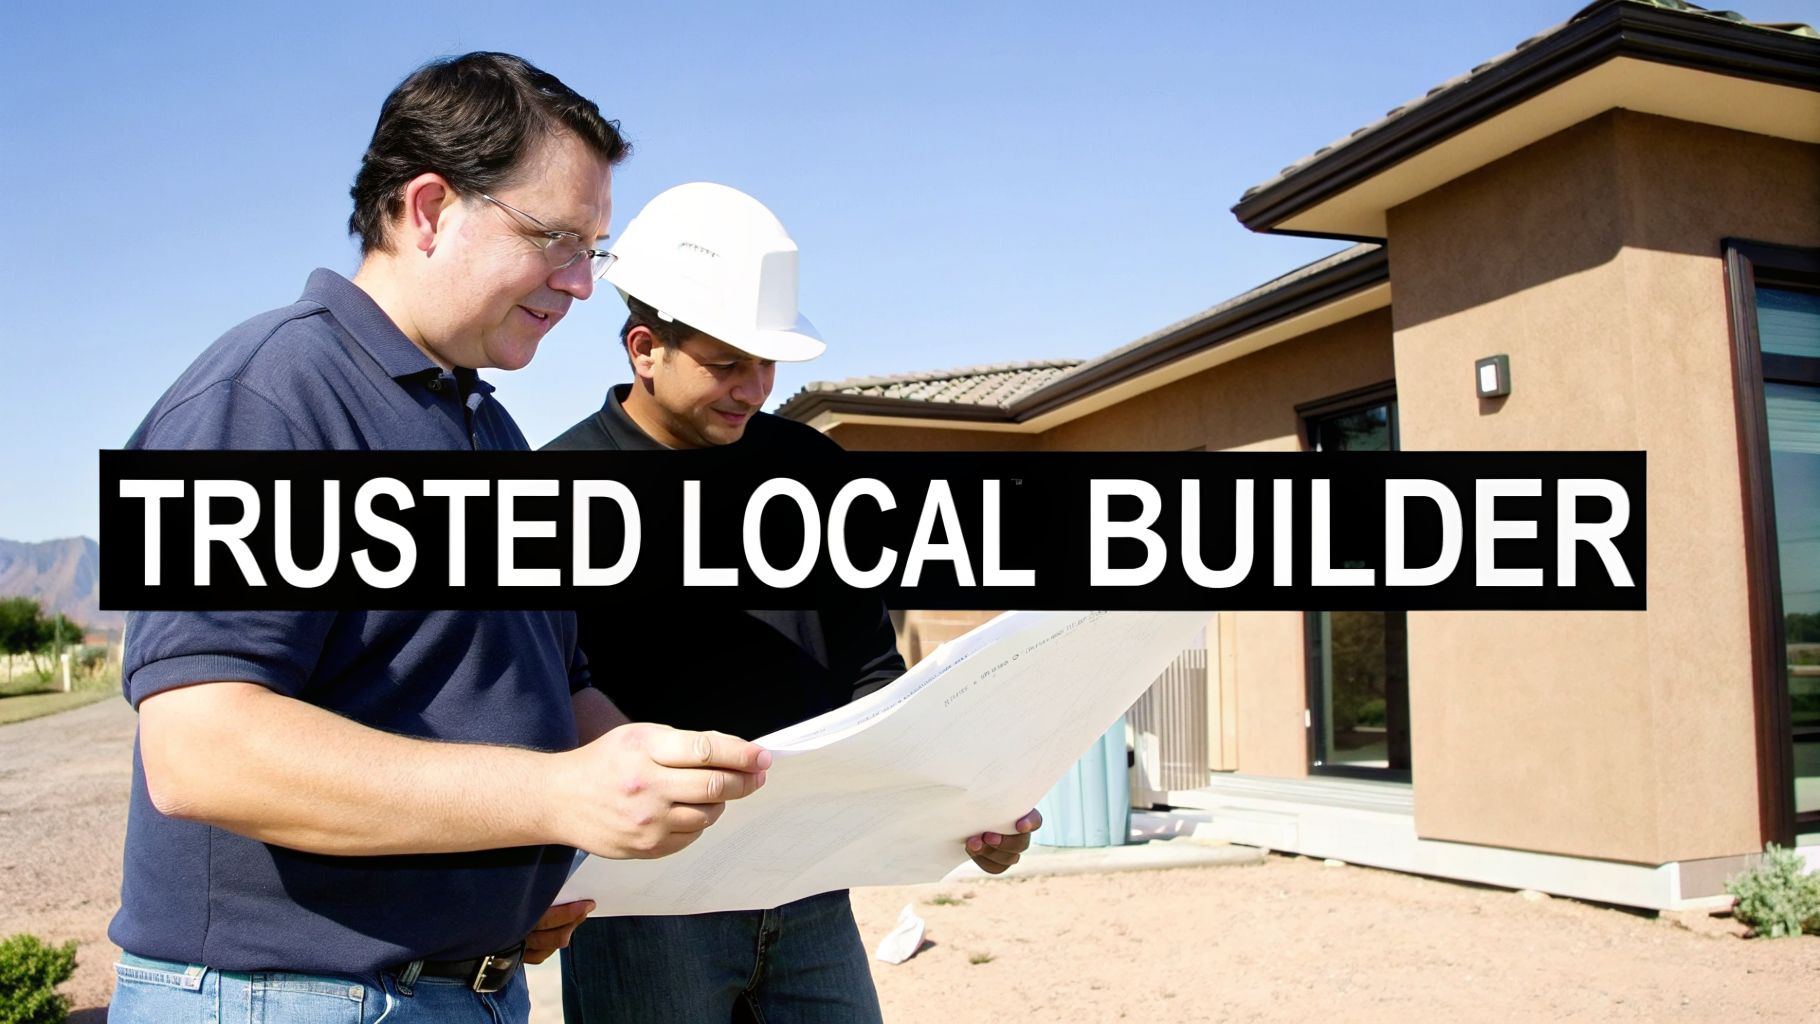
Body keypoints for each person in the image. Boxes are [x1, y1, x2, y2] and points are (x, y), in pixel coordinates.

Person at [110, 55, 771, 1024]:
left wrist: (676, 781)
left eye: (592, 249)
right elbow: (201, 750)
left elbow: (561, 690)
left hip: (471, 988)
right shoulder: (265, 397)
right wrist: (556, 797)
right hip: (292, 998)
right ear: (428, 209)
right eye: (556, 240)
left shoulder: (491, 432)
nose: (582, 283)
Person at [545, 182, 1043, 1023]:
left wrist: (961, 797)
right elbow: (540, 706)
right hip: (647, 905)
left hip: (810, 889)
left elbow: (871, 669)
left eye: (767, 363)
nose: (754, 388)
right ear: (645, 349)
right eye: (727, 363)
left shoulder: (810, 469)